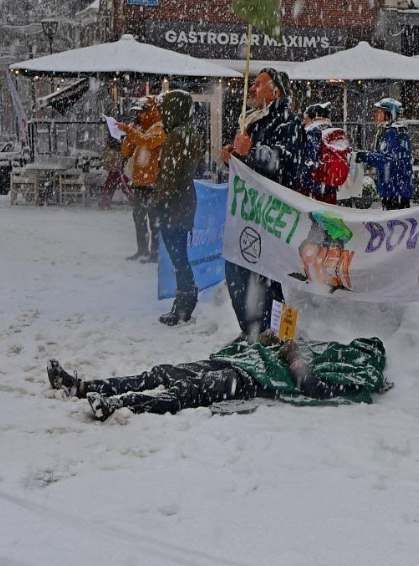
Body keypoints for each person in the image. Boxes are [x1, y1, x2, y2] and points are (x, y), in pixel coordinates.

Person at [45, 333, 388, 421]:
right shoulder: (331, 350)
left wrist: (293, 356)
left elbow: (309, 386)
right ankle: (83, 386)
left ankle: (118, 405)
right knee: (163, 372)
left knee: (186, 390)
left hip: (254, 380)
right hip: (244, 361)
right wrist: (265, 342)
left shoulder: (354, 373)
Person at [220, 68, 302, 340]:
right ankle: (253, 330)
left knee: (271, 277)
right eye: (252, 83)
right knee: (239, 268)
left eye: (259, 84)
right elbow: (251, 163)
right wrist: (232, 155)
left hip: (274, 214)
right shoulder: (252, 121)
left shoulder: (287, 121)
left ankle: (278, 334)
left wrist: (252, 152)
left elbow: (288, 164)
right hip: (251, 213)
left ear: (275, 91)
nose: (252, 88)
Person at [153, 90, 204, 326]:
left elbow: (169, 175)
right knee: (180, 254)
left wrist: (159, 202)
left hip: (173, 204)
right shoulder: (192, 133)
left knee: (178, 257)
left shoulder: (176, 135)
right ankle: (186, 298)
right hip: (185, 200)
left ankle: (184, 302)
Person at [118, 96, 166, 262]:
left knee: (154, 219)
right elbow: (125, 151)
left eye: (143, 112)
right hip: (140, 182)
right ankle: (142, 249)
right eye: (138, 113)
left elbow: (147, 143)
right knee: (138, 217)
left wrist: (130, 131)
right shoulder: (139, 130)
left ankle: (155, 252)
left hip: (153, 182)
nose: (140, 116)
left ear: (151, 111)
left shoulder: (159, 129)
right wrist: (129, 133)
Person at [362, 98, 413, 210]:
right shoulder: (391, 132)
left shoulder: (393, 133)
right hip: (394, 188)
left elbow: (388, 159)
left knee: (394, 218)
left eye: (379, 112)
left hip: (394, 189)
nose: (376, 115)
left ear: (388, 115)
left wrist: (366, 157)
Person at [98, 135, 133, 209]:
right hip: (118, 166)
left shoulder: (113, 139)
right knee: (122, 184)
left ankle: (105, 201)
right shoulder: (120, 139)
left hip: (116, 166)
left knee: (111, 184)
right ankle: (133, 200)